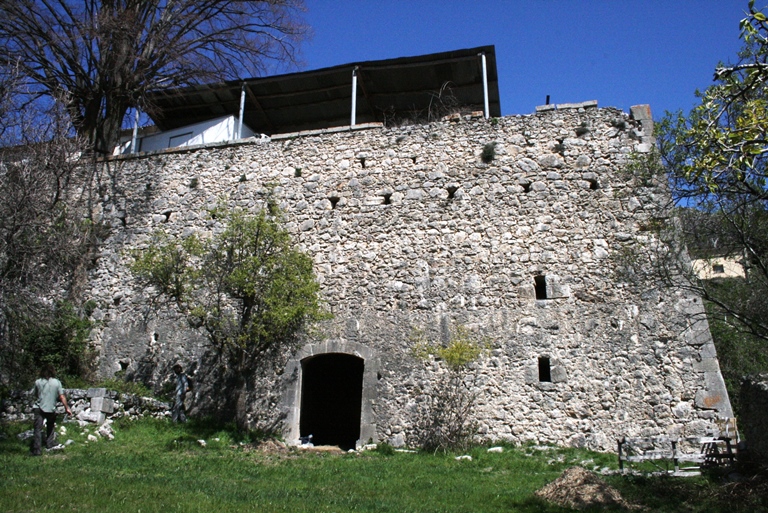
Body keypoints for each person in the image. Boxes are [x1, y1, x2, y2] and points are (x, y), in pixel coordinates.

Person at [30, 364, 72, 456]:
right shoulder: (57, 382)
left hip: (39, 407)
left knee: (37, 428)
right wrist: (67, 408)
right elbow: (62, 396)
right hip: (51, 408)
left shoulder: (38, 382)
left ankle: (37, 450)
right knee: (50, 426)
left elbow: (35, 394)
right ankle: (49, 443)